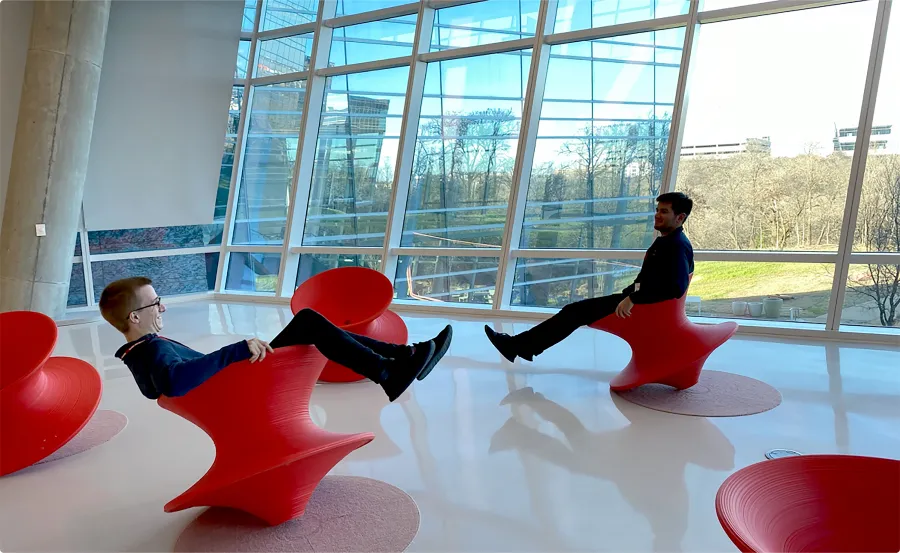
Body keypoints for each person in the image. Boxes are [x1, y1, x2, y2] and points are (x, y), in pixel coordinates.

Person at [100, 277, 452, 403]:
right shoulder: (153, 349)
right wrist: (236, 351)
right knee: (310, 321)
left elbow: (167, 382)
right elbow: (175, 383)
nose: (162, 306)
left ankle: (403, 357)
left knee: (309, 322)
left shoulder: (139, 352)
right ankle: (390, 370)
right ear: (134, 317)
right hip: (247, 387)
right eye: (154, 302)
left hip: (241, 379)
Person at [485, 192, 694, 362]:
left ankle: (517, 347)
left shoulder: (675, 246)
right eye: (657, 210)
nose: (657, 215)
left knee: (575, 312)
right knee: (575, 311)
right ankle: (520, 347)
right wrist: (630, 293)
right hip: (638, 302)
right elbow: (653, 279)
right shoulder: (668, 241)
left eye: (664, 212)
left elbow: (675, 287)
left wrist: (632, 298)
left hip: (643, 308)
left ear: (680, 217)